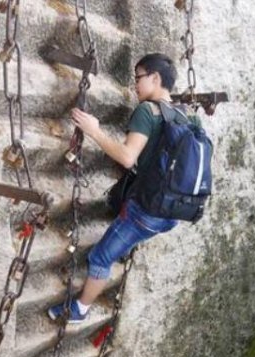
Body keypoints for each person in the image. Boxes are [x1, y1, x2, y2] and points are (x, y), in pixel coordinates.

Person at [48, 53, 201, 324]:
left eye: (138, 78)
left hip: (146, 210)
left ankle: (79, 310)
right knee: (123, 240)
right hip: (172, 212)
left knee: (100, 257)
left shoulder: (147, 111)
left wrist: (94, 130)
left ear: (155, 78)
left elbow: (128, 157)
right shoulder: (185, 117)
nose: (135, 85)